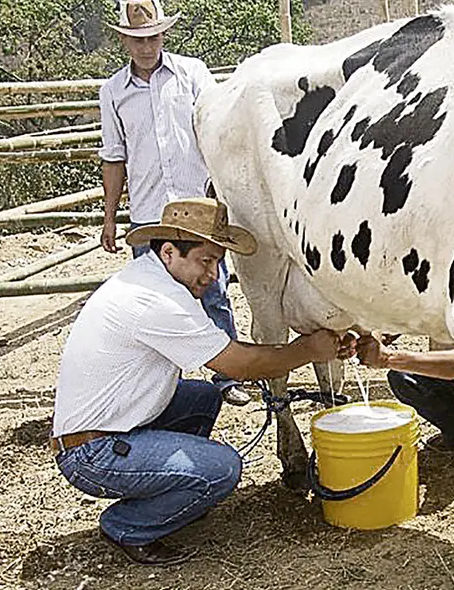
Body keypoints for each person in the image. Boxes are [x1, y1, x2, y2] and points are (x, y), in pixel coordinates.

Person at [52, 198, 353, 566]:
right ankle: (128, 524)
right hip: (91, 454)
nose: (213, 274)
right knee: (223, 469)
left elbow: (227, 350)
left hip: (107, 427)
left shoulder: (153, 279)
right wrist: (308, 348)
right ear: (168, 252)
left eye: (217, 262)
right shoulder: (156, 301)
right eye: (205, 261)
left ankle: (176, 489)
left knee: (204, 397)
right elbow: (239, 365)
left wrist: (304, 347)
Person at [97, 0, 250, 406]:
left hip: (197, 204)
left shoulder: (192, 73)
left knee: (211, 287)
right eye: (137, 39)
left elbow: (218, 133)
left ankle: (226, 376)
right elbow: (114, 157)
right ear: (125, 41)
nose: (146, 46)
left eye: (152, 36)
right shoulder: (113, 91)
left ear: (163, 34)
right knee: (153, 301)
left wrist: (223, 194)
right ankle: (163, 387)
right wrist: (110, 218)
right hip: (148, 211)